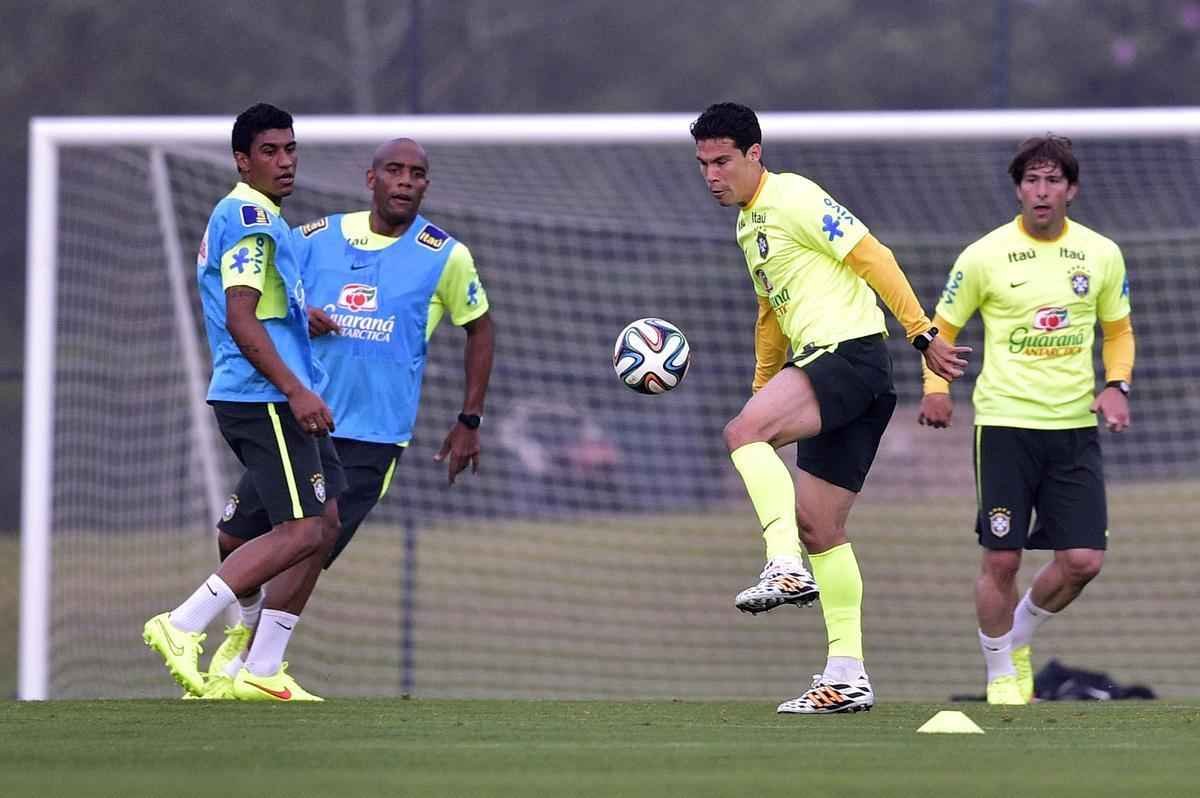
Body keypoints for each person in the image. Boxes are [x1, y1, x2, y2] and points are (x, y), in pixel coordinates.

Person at [690, 102, 970, 714]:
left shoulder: (792, 196)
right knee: (822, 526)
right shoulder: (747, 227)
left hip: (848, 354)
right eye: (703, 164)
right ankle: (847, 676)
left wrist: (923, 335)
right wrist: (763, 391)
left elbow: (873, 256)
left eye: (723, 161)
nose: (712, 175)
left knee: (742, 436)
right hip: (843, 374)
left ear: (754, 155)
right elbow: (770, 318)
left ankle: (782, 563)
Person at [194, 137, 494, 698]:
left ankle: (260, 668)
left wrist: (469, 419)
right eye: (395, 170)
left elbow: (479, 325)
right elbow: (267, 293)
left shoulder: (446, 255)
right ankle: (247, 635)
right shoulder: (313, 239)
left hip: (372, 435)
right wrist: (296, 316)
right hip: (298, 415)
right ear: (371, 177)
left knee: (311, 543)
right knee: (234, 538)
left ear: (427, 185)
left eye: (418, 173)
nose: (406, 180)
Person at [918, 135, 1134, 705]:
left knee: (1084, 560)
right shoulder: (983, 256)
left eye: (1053, 181)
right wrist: (936, 388)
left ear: (1071, 189)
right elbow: (941, 329)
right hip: (1006, 426)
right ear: (1018, 189)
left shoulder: (1101, 254)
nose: (1042, 191)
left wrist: (1116, 386)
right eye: (1032, 181)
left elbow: (1118, 331)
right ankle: (1001, 679)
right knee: (1002, 557)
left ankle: (1017, 636)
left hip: (1074, 428)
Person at [143, 103, 345, 702]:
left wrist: (300, 319)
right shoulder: (254, 216)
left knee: (322, 520)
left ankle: (259, 669)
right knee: (305, 528)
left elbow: (254, 302)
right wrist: (295, 388)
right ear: (242, 160)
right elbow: (239, 316)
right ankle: (180, 626)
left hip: (262, 394)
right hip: (263, 398)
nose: (284, 162)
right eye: (269, 152)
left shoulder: (254, 216)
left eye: (290, 149)